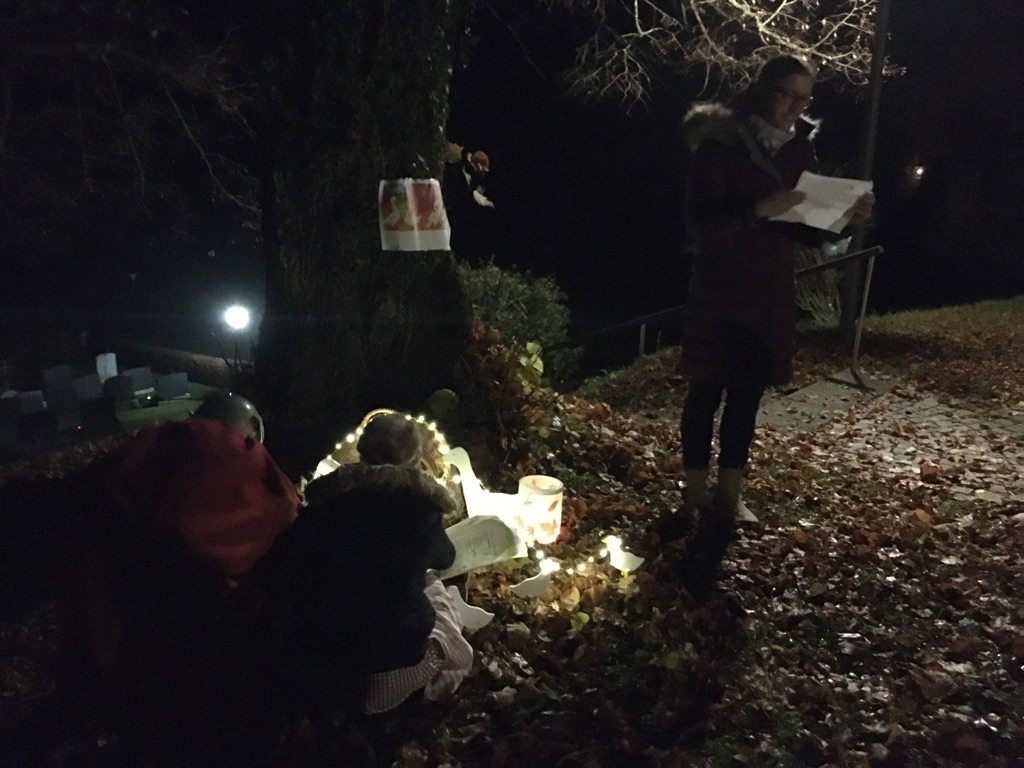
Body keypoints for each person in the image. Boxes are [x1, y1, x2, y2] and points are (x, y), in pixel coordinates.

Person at [658, 56, 874, 560]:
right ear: (763, 90)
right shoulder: (720, 143)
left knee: (747, 396)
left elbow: (803, 231)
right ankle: (694, 494)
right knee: (704, 394)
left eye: (804, 99)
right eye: (787, 95)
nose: (795, 107)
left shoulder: (802, 148)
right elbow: (699, 225)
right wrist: (757, 209)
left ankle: (729, 498)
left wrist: (844, 218)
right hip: (720, 285)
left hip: (769, 290)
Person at [254, 411, 473, 715]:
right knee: (436, 593)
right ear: (414, 458)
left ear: (361, 451)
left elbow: (281, 564)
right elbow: (445, 558)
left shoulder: (329, 500)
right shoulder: (423, 508)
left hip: (323, 644)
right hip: (395, 649)